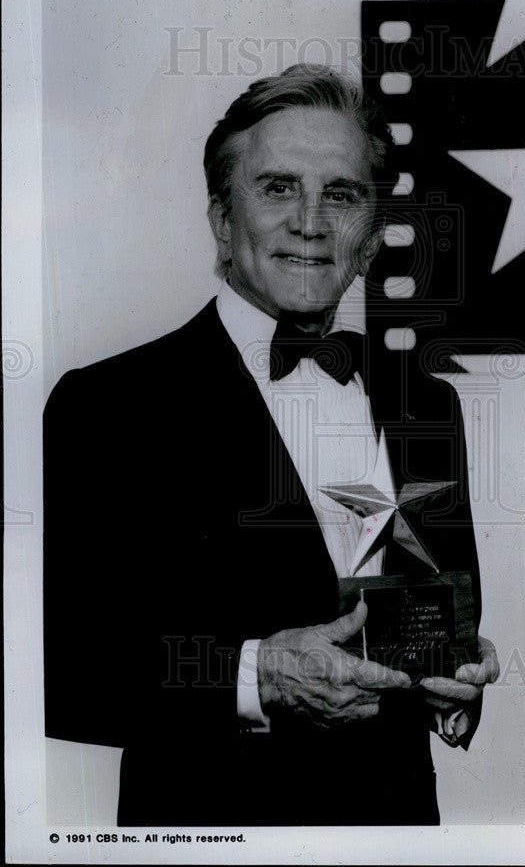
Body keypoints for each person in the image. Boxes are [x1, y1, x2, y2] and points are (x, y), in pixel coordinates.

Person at [44, 64, 499, 826]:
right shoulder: (107, 405)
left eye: (342, 195)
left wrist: (455, 685)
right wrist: (259, 676)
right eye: (278, 187)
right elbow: (59, 670)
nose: (312, 222)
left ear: (371, 234)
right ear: (223, 218)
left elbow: (434, 623)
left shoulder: (430, 404)